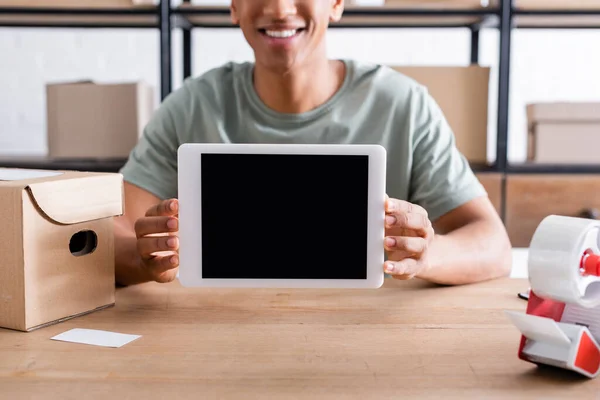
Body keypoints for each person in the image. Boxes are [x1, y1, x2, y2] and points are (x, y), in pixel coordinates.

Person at [113, 0, 512, 287]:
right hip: (221, 329)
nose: (281, 8)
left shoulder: (403, 105)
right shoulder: (192, 105)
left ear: (337, 3)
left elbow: (493, 247)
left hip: (368, 332)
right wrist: (143, 257)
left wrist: (428, 255)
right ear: (233, 7)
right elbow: (114, 232)